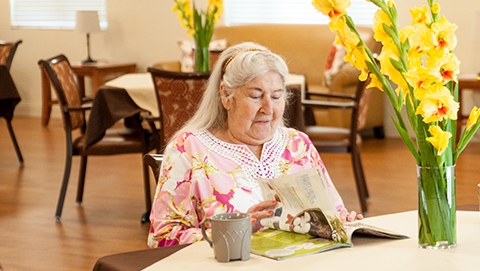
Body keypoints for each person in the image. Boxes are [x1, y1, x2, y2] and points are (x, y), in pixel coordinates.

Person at [148, 42, 360, 248]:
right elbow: (162, 238)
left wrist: (344, 220)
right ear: (225, 95)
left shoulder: (297, 144)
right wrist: (235, 227)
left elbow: (334, 210)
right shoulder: (189, 149)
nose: (268, 108)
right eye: (256, 96)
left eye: (277, 96)